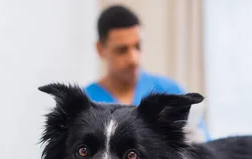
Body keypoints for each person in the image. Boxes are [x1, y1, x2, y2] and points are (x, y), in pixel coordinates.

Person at [85, 5, 211, 141]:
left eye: (137, 46)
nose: (134, 58)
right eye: (122, 50)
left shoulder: (168, 90)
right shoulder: (85, 101)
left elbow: (205, 143)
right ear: (100, 49)